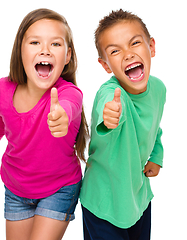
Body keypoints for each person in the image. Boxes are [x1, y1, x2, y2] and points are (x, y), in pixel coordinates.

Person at [0, 8, 88, 240]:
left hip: (59, 189)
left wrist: (61, 116)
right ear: (20, 50)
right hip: (16, 189)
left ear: (68, 55)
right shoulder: (1, 88)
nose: (45, 50)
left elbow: (68, 107)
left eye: (55, 44)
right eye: (35, 42)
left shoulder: (69, 94)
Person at [80, 9, 166, 240]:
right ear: (106, 65)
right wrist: (109, 115)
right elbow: (107, 109)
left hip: (137, 197)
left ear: (152, 47)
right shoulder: (109, 93)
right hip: (103, 204)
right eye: (115, 51)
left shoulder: (158, 89)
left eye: (135, 43)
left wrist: (156, 155)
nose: (128, 54)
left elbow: (155, 127)